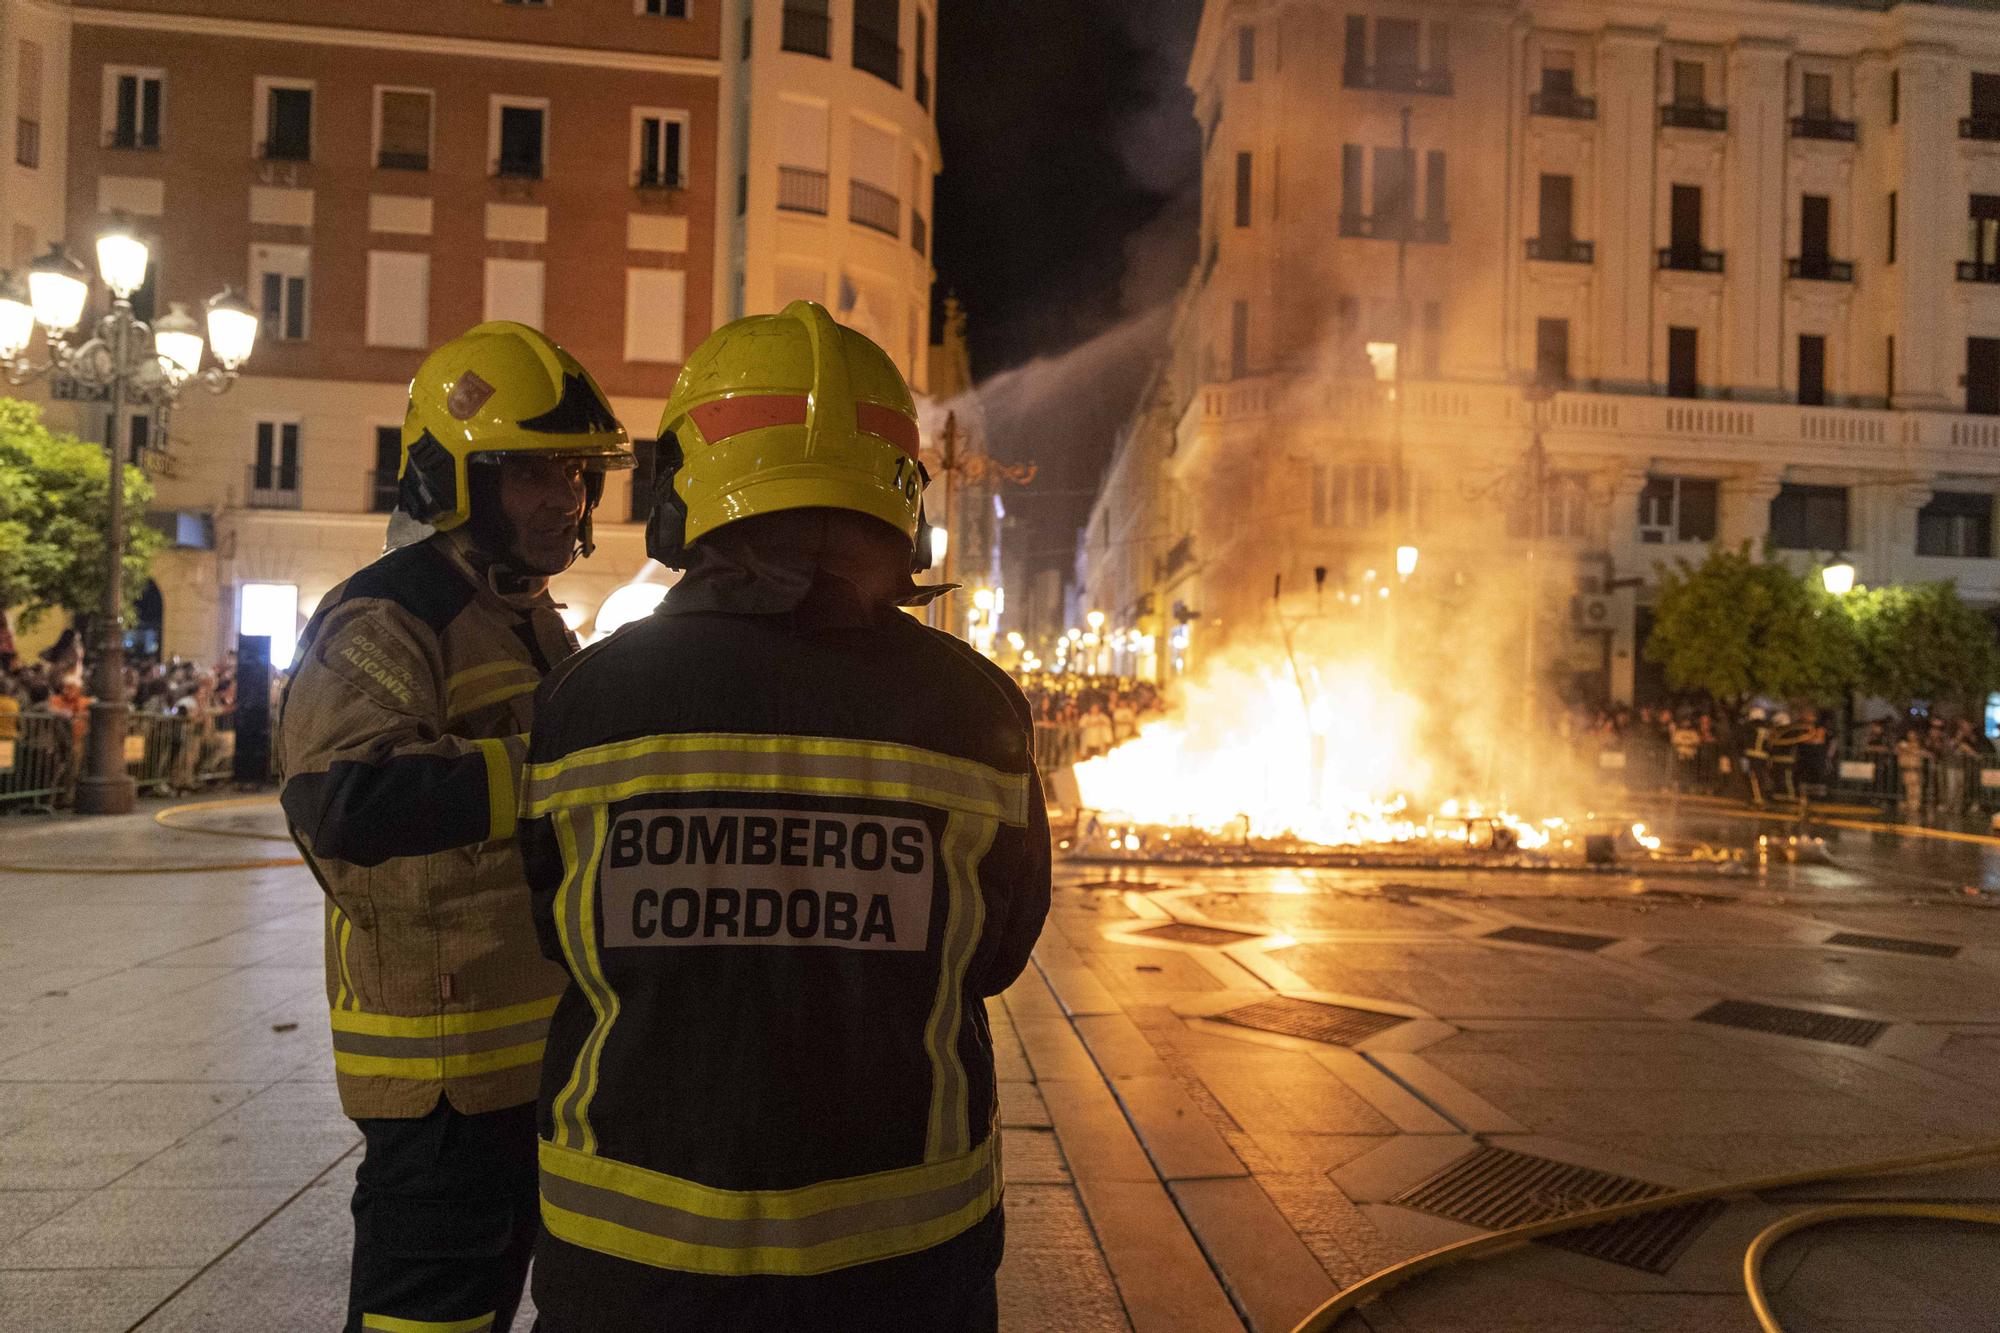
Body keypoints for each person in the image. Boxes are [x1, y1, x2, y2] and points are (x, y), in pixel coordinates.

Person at [518, 301, 1051, 1332]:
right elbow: (995, 949)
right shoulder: (971, 708)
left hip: (630, 1258)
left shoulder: (585, 700)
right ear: (899, 493)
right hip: (899, 1264)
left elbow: (557, 927)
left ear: (685, 484)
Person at [276, 322, 633, 1333]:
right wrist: (546, 774)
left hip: (525, 1050)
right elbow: (342, 800)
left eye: (573, 472)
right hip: (438, 1065)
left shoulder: (522, 612)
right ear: (453, 476)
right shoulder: (389, 617)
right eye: (532, 473)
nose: (564, 497)